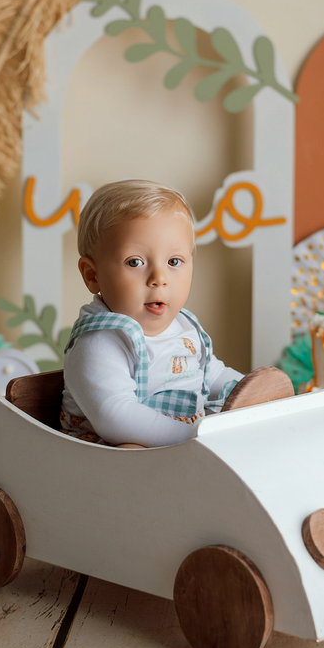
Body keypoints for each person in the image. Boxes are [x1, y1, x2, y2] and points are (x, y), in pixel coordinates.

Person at [60, 179, 243, 447]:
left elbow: (212, 375)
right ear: (92, 275)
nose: (159, 278)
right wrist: (194, 437)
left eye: (174, 262)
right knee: (130, 450)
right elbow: (116, 417)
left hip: (183, 448)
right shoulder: (100, 341)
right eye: (135, 262)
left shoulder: (184, 327)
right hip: (103, 457)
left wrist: (250, 392)